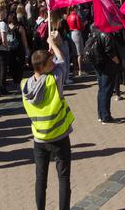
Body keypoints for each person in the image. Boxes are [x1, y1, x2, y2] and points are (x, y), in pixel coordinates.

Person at [21, 32, 75, 210]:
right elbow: (62, 61)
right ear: (42, 67)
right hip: (59, 136)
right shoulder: (54, 79)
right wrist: (54, 43)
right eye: (49, 63)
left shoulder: (25, 85)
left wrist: (50, 50)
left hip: (39, 138)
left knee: (40, 179)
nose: (53, 65)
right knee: (64, 178)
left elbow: (57, 61)